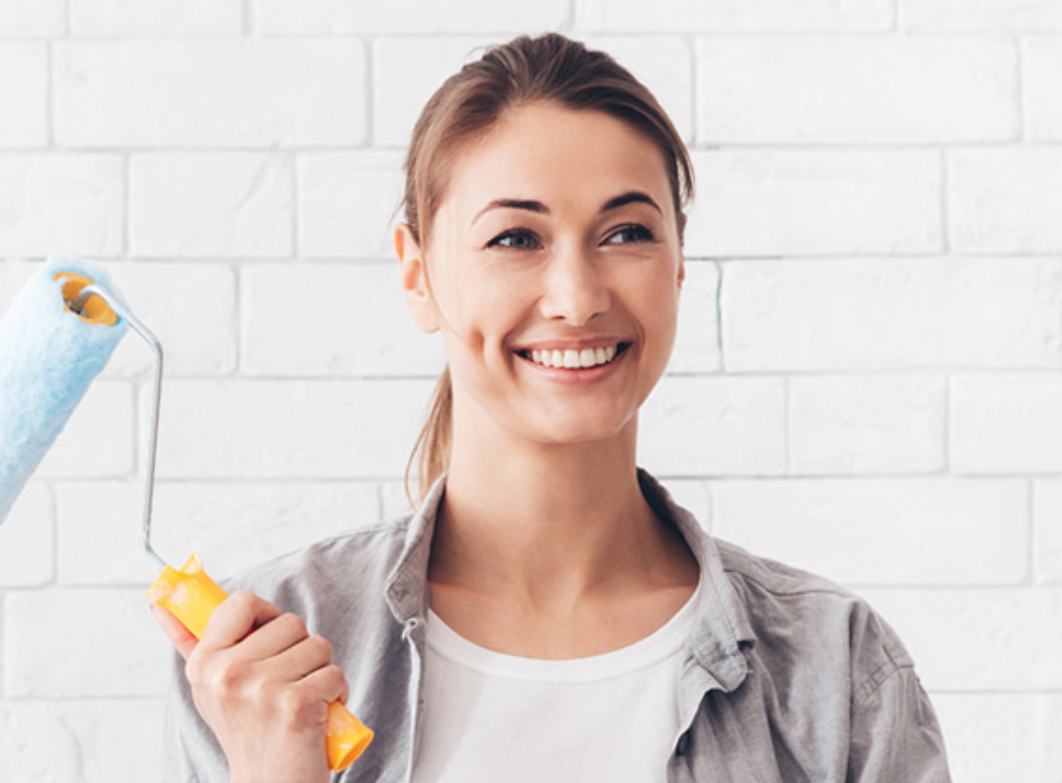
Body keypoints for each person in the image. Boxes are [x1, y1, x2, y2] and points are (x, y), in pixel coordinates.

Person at [153, 31, 953, 783]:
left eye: (627, 232)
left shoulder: (836, 668)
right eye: (515, 239)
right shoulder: (268, 657)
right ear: (416, 272)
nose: (576, 297)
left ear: (679, 265)